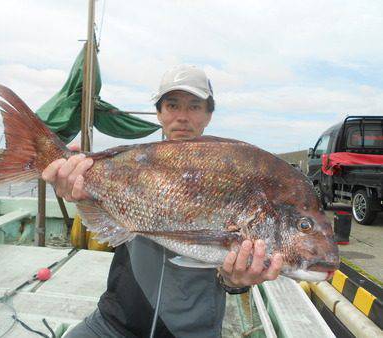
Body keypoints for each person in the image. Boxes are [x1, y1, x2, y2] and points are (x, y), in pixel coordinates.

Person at [42, 65, 283, 337]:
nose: (182, 116)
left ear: (208, 115)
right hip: (115, 321)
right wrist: (74, 180)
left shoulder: (233, 178)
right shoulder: (131, 165)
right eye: (172, 105)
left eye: (194, 106)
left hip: (191, 332)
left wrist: (236, 280)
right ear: (159, 113)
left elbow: (229, 271)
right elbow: (104, 218)